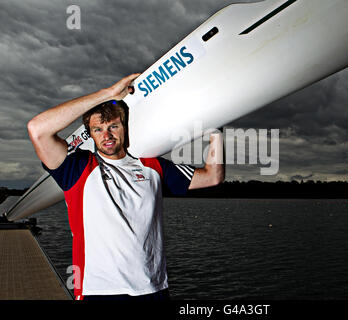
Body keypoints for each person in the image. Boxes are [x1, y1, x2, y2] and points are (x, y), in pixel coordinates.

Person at [27, 73, 225, 300]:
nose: (107, 135)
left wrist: (216, 135)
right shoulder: (77, 168)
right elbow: (37, 129)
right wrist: (107, 95)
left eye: (113, 126)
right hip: (99, 292)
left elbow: (213, 177)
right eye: (98, 129)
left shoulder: (153, 167)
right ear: (90, 134)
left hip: (153, 289)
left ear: (125, 128)